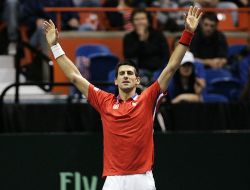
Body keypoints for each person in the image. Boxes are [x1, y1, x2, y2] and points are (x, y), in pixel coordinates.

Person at [43, 6, 202, 190]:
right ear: (116, 81)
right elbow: (75, 77)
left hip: (142, 179)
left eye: (129, 73)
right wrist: (55, 46)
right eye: (122, 74)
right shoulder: (104, 102)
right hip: (114, 180)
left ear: (137, 80)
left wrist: (188, 33)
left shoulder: (147, 99)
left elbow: (172, 67)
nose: (125, 76)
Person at [123, 8, 170, 86]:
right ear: (133, 22)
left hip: (159, 70)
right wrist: (141, 40)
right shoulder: (129, 38)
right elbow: (128, 56)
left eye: (142, 19)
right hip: (140, 71)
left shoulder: (158, 35)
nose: (140, 22)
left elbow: (166, 55)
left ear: (148, 21)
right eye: (137, 19)